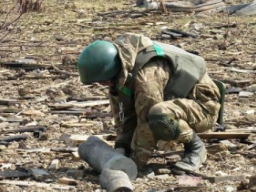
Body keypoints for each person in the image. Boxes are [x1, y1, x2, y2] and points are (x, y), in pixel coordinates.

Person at [77, 33, 221, 172]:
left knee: (159, 116)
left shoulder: (146, 78)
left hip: (203, 107)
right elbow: (124, 115)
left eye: (102, 81)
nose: (101, 84)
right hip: (177, 104)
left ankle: (196, 148)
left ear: (110, 71)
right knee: (157, 114)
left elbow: (146, 123)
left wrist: (135, 162)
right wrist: (122, 146)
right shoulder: (123, 70)